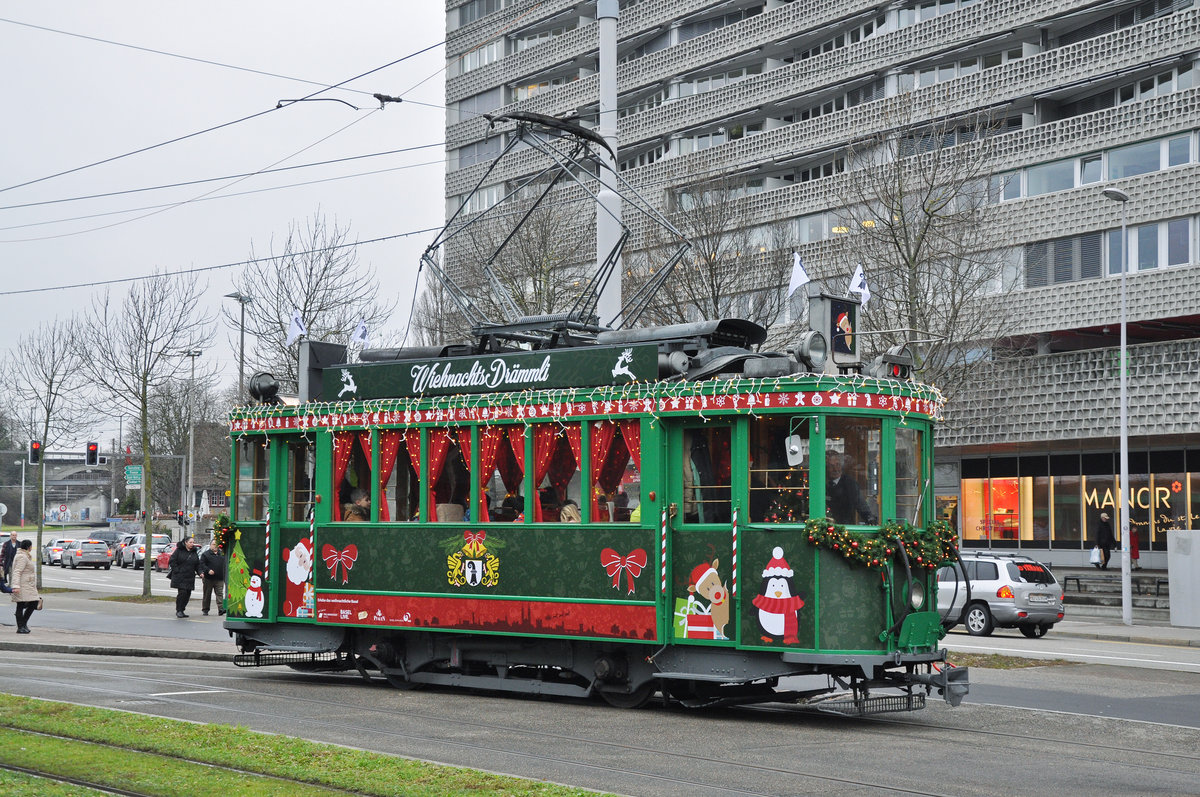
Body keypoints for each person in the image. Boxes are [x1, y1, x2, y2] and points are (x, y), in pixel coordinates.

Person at [825, 451, 876, 525]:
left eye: (838, 465)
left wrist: (869, 518)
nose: (835, 469)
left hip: (845, 528)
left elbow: (861, 504)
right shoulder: (822, 482)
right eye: (831, 466)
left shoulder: (849, 483)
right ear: (825, 467)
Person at [9, 540, 38, 634]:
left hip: (28, 585)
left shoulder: (25, 556)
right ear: (28, 547)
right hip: (22, 585)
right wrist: (16, 586)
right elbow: (17, 572)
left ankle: (23, 624)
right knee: (21, 605)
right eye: (31, 546)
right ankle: (21, 627)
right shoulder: (22, 557)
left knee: (33, 603)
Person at [168, 537, 201, 618]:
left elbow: (197, 564)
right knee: (182, 593)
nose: (192, 544)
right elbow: (172, 561)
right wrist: (177, 570)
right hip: (180, 576)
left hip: (190, 576)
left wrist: (200, 573)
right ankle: (178, 610)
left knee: (188, 594)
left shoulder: (194, 552)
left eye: (193, 542)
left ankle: (182, 609)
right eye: (190, 542)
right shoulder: (179, 551)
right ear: (186, 542)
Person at [199, 538, 226, 616]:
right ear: (210, 545)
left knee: (220, 594)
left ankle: (221, 609)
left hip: (220, 578)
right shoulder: (206, 554)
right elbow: (202, 564)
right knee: (207, 594)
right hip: (208, 578)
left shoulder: (222, 554)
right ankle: (205, 609)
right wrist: (208, 570)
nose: (215, 546)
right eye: (214, 544)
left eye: (217, 545)